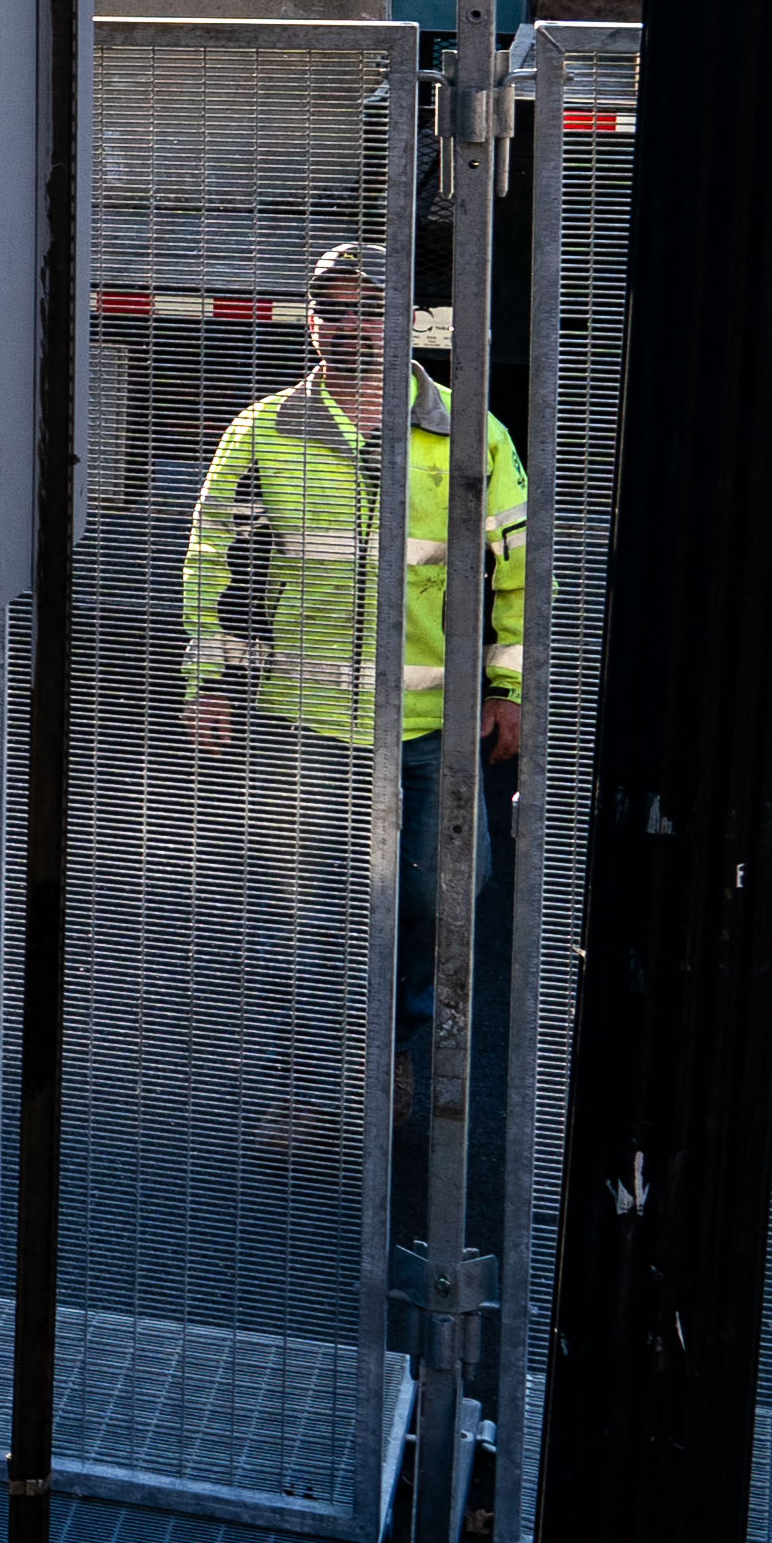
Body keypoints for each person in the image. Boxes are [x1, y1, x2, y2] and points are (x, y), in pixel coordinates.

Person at [181, 241, 526, 1168]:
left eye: (372, 307)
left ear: (409, 321)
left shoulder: (472, 433)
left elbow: (515, 573)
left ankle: (400, 1047)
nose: (352, 324)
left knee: (446, 889)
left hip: (431, 725)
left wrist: (509, 691)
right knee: (314, 918)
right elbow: (218, 560)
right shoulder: (261, 431)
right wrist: (213, 677)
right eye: (333, 309)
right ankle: (331, 1090)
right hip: (309, 723)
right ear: (311, 323)